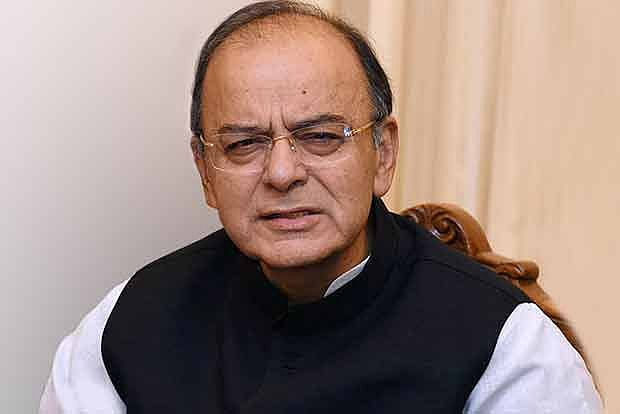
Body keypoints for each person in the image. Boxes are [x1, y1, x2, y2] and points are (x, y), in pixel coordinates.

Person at [40, 1, 602, 412]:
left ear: (383, 154)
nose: (282, 173)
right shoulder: (128, 324)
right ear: (205, 171)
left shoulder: (507, 347)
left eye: (321, 137)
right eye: (244, 144)